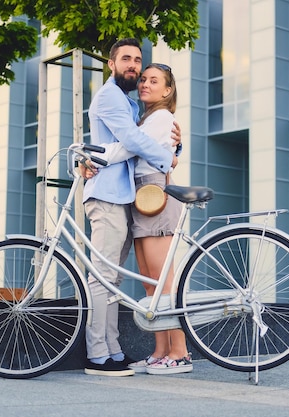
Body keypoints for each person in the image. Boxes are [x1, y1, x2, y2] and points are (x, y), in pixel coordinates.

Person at [82, 38, 180, 377]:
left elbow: (134, 144)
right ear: (111, 63)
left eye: (138, 60)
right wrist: (168, 156)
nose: (133, 66)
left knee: (113, 280)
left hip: (124, 197)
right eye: (126, 59)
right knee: (103, 277)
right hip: (108, 195)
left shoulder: (130, 101)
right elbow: (131, 142)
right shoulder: (110, 96)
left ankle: (112, 349)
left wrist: (173, 148)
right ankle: (98, 354)